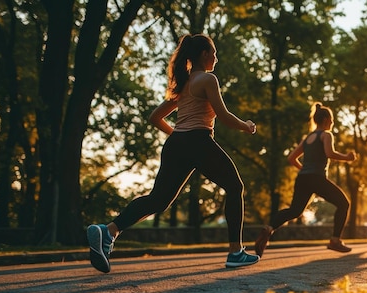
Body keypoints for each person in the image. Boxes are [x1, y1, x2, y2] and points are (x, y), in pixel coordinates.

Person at [86, 34, 260, 273]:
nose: (216, 59)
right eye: (214, 53)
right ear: (203, 55)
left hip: (177, 144)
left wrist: (178, 135)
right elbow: (225, 116)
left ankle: (108, 231)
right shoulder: (208, 80)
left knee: (158, 200)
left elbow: (155, 117)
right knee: (235, 186)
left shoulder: (184, 84)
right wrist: (247, 125)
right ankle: (235, 252)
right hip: (198, 140)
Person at [254, 103, 357, 257]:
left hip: (303, 178)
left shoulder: (308, 138)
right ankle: (335, 240)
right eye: (332, 120)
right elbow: (329, 153)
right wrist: (347, 158)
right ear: (326, 119)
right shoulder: (326, 135)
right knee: (344, 203)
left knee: (294, 211)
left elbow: (291, 158)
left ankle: (269, 228)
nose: (332, 123)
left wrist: (304, 169)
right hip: (316, 177)